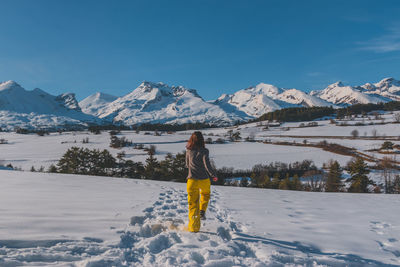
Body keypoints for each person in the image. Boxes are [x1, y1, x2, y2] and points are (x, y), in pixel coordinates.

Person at [185, 131, 218, 233]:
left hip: (192, 180)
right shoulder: (205, 151)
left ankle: (194, 228)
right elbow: (207, 165)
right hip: (204, 179)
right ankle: (202, 211)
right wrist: (213, 175)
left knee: (193, 204)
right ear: (202, 140)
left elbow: (186, 164)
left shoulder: (188, 150)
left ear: (192, 139)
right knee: (205, 194)